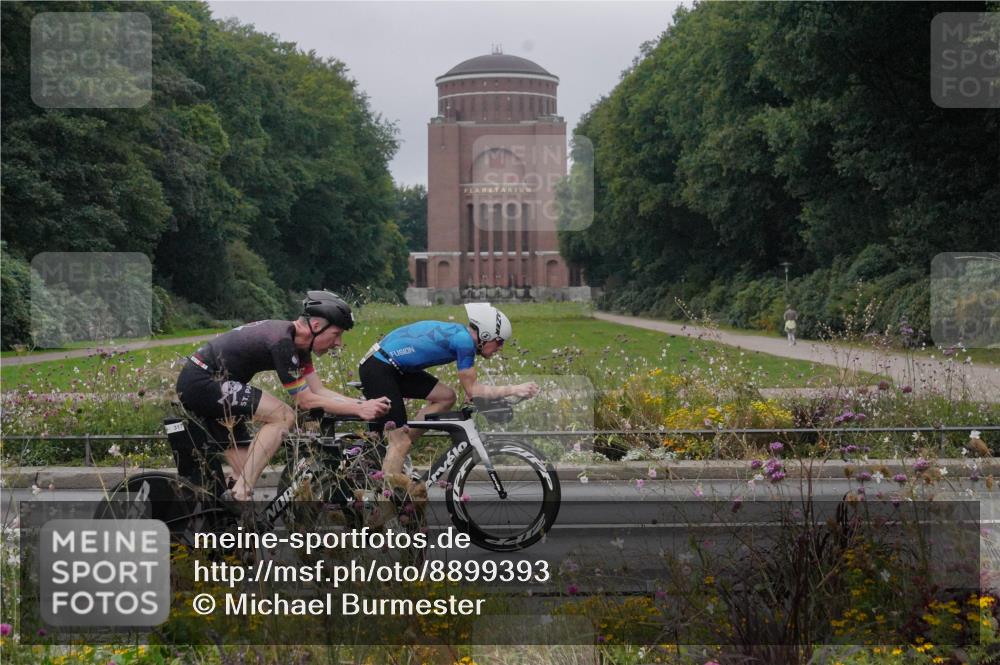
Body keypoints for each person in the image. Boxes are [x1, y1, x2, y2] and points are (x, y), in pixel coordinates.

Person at [175, 291, 391, 501]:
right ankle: (241, 492)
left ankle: (228, 518)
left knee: (244, 470)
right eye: (336, 334)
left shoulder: (299, 346)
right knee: (283, 415)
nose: (338, 343)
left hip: (212, 384)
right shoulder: (282, 342)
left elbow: (318, 391)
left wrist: (362, 404)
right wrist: (359, 409)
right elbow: (305, 401)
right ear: (316, 326)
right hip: (203, 381)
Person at [359, 303, 539, 473]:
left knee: (446, 397)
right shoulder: (464, 342)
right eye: (499, 342)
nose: (500, 348)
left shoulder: (462, 337)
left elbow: (472, 390)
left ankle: (397, 453)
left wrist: (478, 393)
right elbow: (472, 390)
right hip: (380, 368)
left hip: (393, 367)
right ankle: (386, 499)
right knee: (400, 443)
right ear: (485, 336)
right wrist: (515, 389)